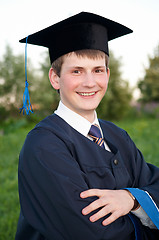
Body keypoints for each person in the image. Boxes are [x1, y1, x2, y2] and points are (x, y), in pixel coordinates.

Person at [15, 12, 159, 240]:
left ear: (108, 75)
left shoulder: (117, 135)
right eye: (76, 71)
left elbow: (155, 182)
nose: (90, 82)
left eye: (98, 70)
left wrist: (130, 199)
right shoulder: (43, 146)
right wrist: (145, 211)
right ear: (55, 78)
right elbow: (89, 231)